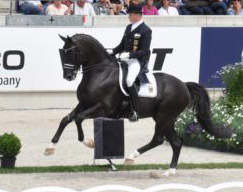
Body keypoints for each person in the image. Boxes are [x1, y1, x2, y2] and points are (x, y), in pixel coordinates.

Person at [108, 4, 152, 122]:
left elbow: (144, 51)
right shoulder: (129, 27)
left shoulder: (146, 30)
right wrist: (112, 51)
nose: (129, 17)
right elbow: (122, 45)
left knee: (129, 80)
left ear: (138, 15)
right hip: (125, 58)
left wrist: (130, 55)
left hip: (137, 61)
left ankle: (135, 111)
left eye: (130, 14)